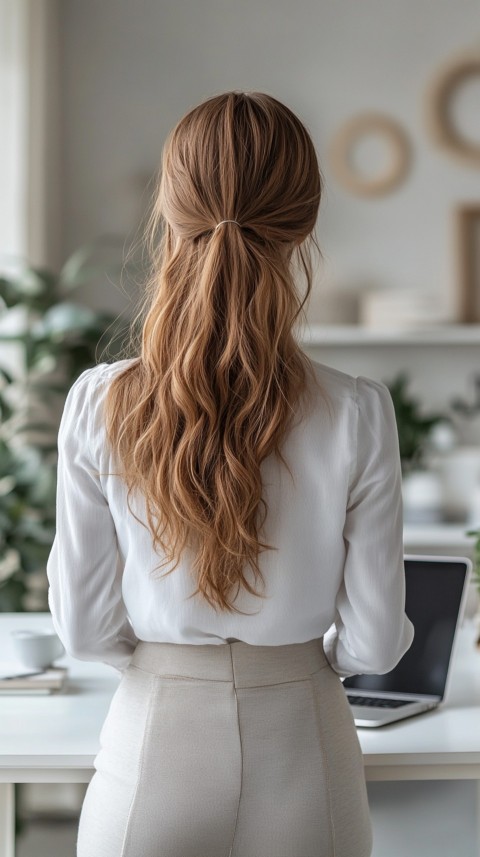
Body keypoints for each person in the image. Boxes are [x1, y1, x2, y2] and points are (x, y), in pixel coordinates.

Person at [46, 91, 414, 857]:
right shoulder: (356, 410)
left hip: (151, 743)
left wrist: (166, 662)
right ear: (304, 223)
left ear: (170, 212)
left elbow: (83, 628)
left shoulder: (98, 402)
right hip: (306, 744)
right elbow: (376, 645)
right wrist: (295, 666)